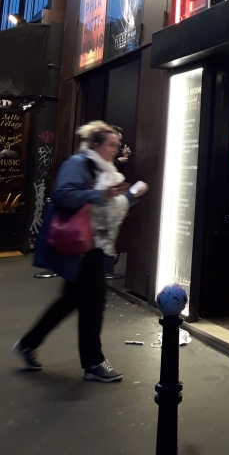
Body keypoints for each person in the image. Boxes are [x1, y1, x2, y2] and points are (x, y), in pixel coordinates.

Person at [12, 123, 148, 382]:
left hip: (92, 244)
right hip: (82, 245)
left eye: (117, 145)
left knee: (70, 299)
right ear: (96, 144)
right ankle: (93, 363)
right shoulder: (78, 164)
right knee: (93, 301)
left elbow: (111, 204)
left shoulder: (105, 169)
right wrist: (100, 194)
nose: (116, 149)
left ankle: (29, 343)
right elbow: (64, 195)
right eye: (111, 144)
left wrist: (131, 195)